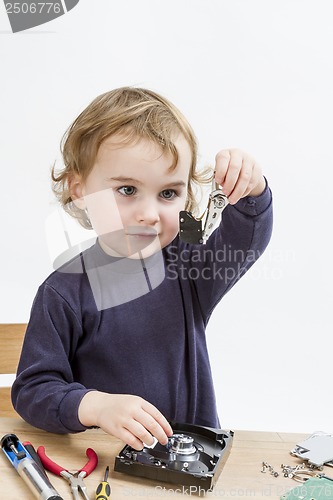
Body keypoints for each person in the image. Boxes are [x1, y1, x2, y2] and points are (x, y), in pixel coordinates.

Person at [12, 87, 273, 451]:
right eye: (127, 189)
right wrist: (95, 405)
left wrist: (251, 188)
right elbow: (33, 390)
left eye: (168, 194)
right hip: (106, 467)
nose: (149, 214)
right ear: (79, 189)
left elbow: (245, 239)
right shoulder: (62, 291)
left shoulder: (190, 267)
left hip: (193, 466)